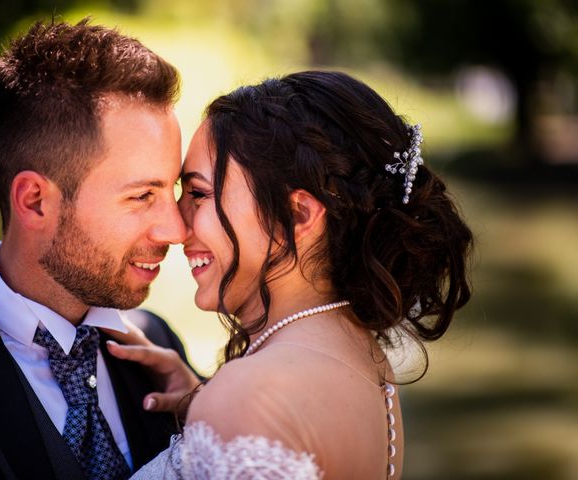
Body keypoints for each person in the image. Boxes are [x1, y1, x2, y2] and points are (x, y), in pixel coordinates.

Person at [110, 70, 474, 479]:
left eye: (198, 193)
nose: (177, 222)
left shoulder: (250, 398)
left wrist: (227, 407)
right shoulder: (364, 358)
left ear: (297, 214)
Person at [0, 19, 192, 480]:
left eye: (173, 190)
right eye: (141, 196)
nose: (176, 230)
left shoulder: (160, 347)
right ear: (35, 201)